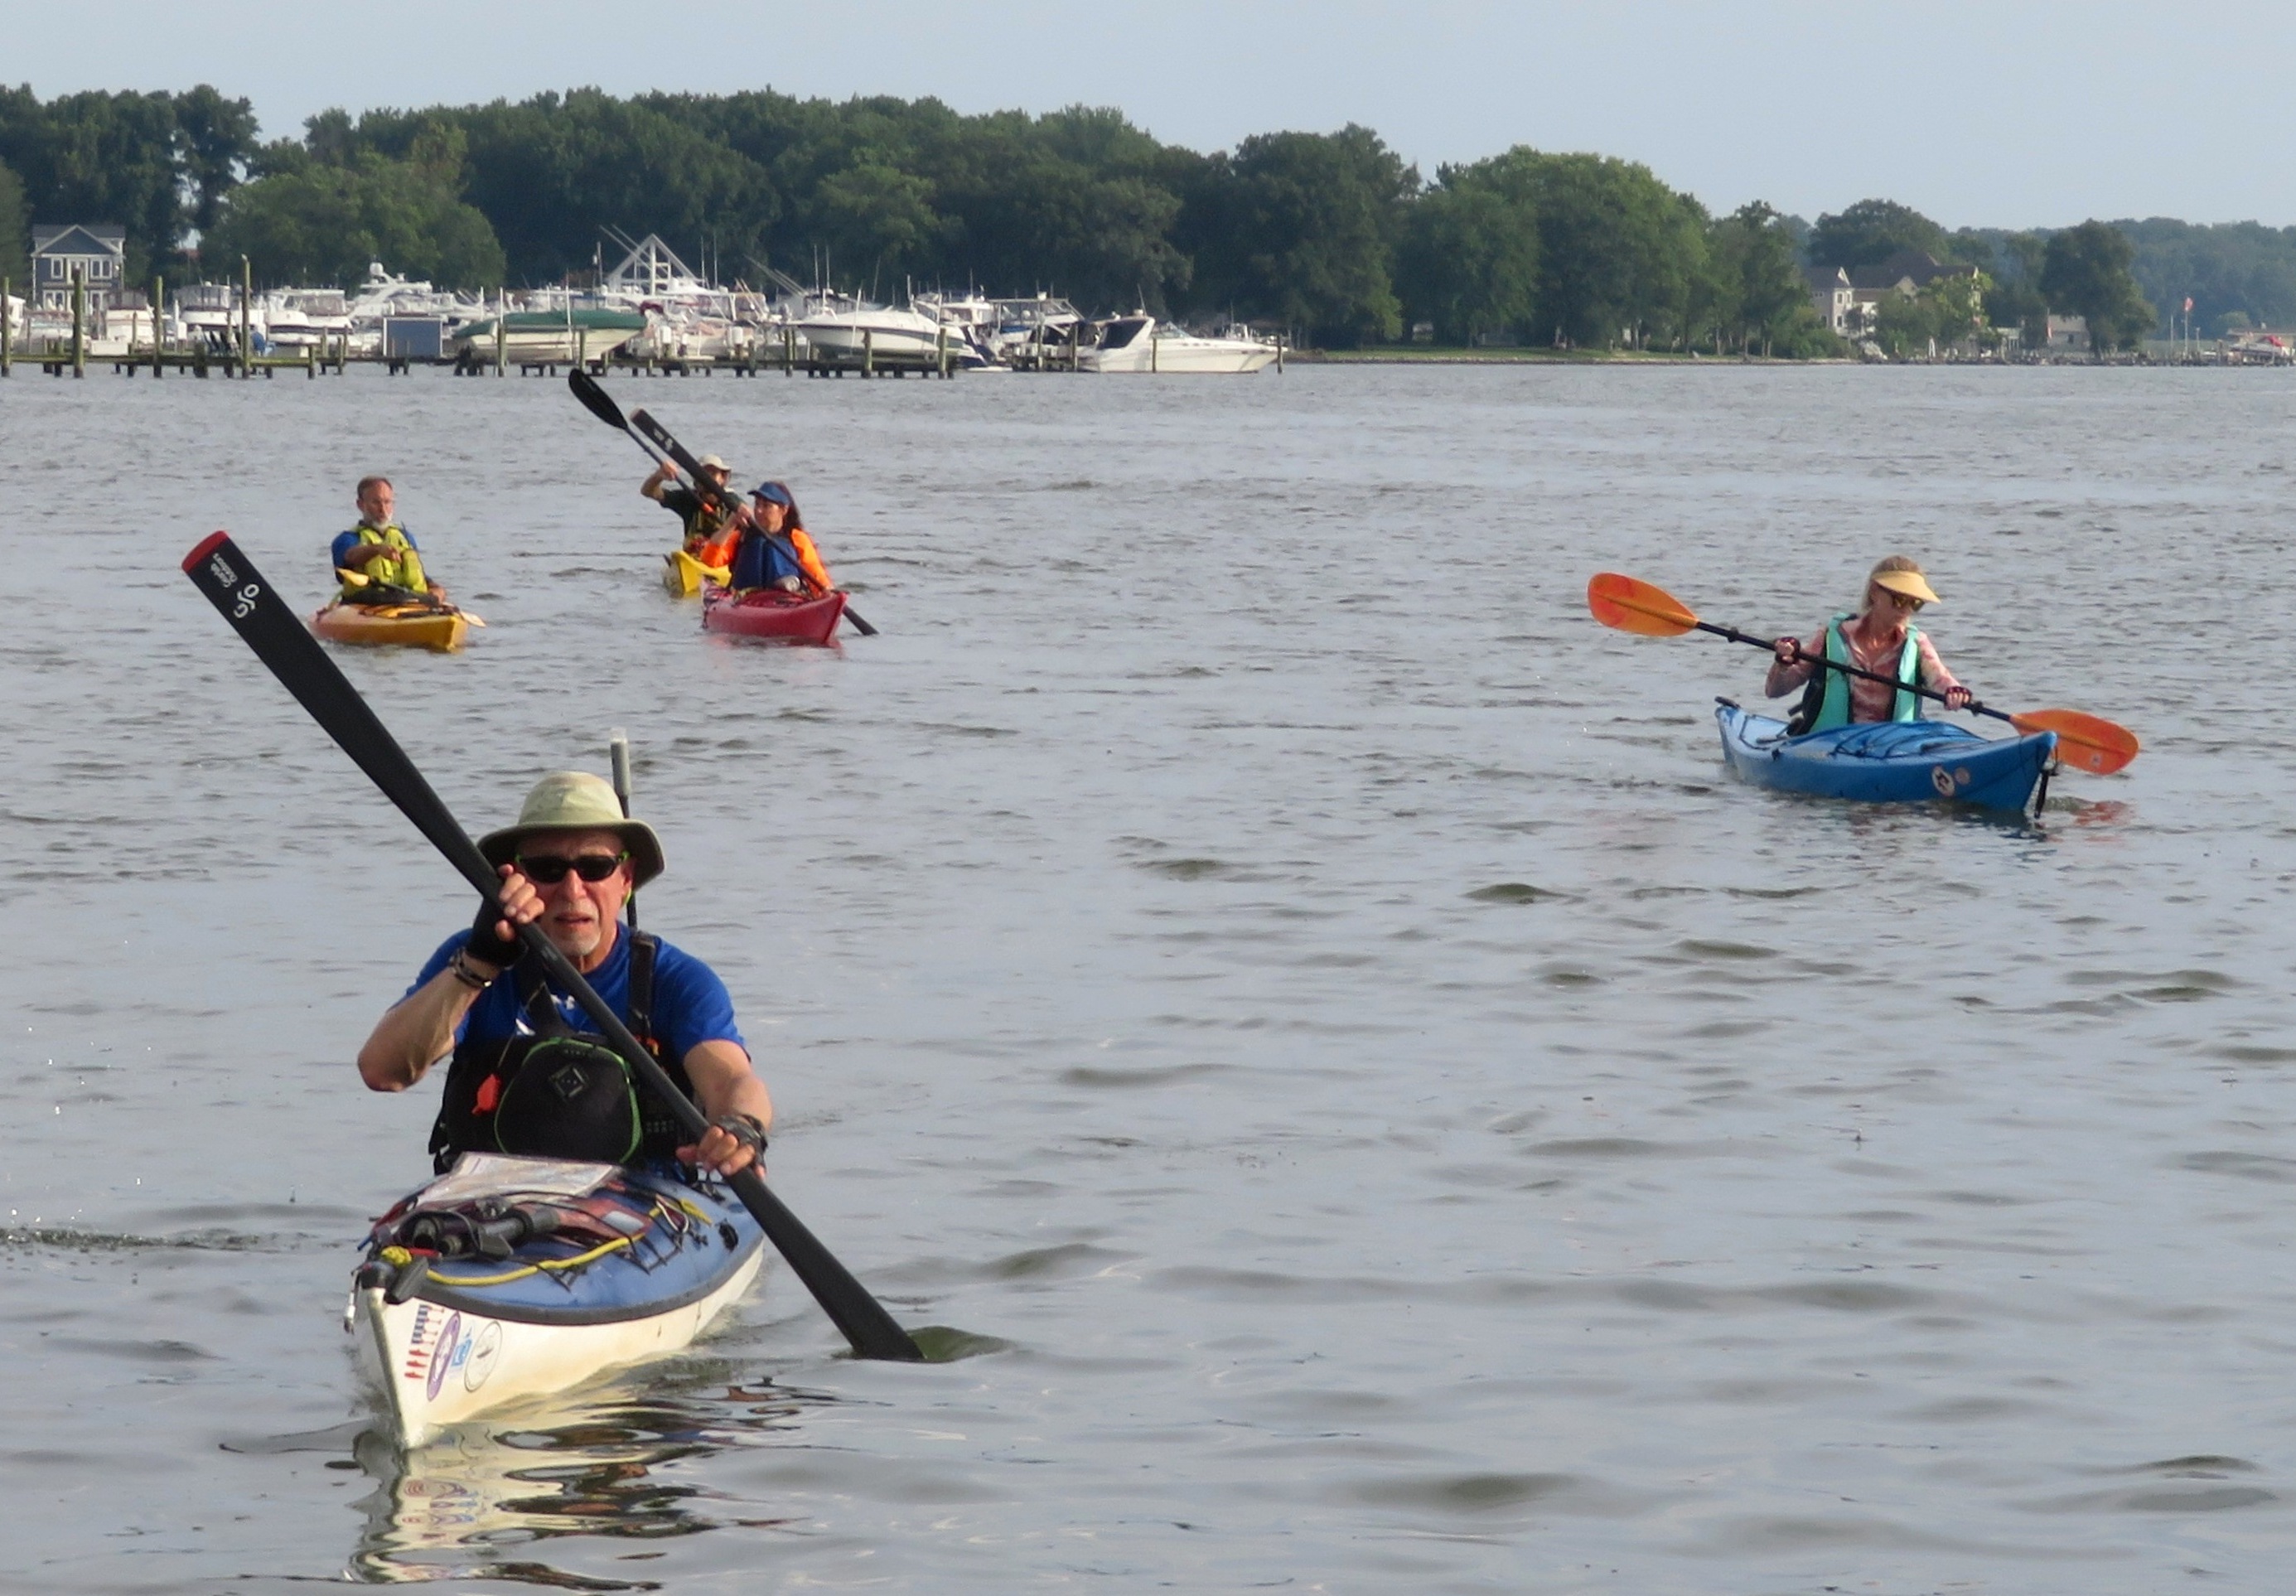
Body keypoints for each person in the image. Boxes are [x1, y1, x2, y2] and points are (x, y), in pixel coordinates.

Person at [355, 770, 769, 1179]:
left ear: (625, 880)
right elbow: (382, 1071)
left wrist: (741, 1126)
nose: (572, 890)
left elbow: (731, 1078)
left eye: (595, 867)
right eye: (548, 869)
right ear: (515, 877)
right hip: (494, 1201)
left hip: (645, 1204)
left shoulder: (675, 978)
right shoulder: (469, 957)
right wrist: (477, 967)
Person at [1767, 555, 1974, 733]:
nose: (1906, 610)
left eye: (1915, 603)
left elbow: (1941, 678)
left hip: (1893, 745)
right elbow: (1775, 691)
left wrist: (1955, 692)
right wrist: (1783, 664)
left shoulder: (1917, 643)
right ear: (1875, 592)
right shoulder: (1833, 636)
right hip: (1829, 743)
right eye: (1900, 600)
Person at [331, 476, 447, 605]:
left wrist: (436, 589)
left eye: (387, 502)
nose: (383, 509)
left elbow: (419, 575)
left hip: (407, 601)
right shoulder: (347, 539)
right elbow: (350, 557)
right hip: (366, 602)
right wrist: (378, 550)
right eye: (376, 502)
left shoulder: (406, 537)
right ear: (360, 505)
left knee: (434, 591)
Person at [729, 481, 834, 594]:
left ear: (783, 510)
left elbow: (814, 570)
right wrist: (731, 523)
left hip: (785, 598)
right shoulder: (742, 535)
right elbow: (710, 561)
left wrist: (827, 591)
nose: (759, 511)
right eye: (757, 504)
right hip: (745, 598)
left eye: (766, 506)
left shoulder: (796, 537)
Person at [641, 453, 742, 569]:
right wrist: (658, 476)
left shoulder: (733, 503)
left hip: (721, 563)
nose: (707, 478)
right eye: (703, 474)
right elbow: (648, 492)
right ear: (696, 479)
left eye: (713, 473)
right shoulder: (688, 499)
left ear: (723, 478)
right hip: (692, 563)